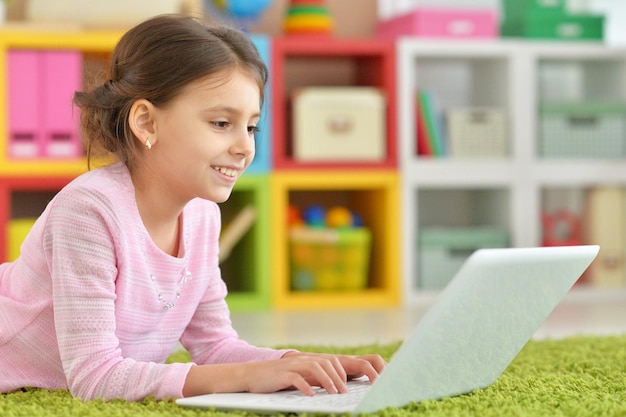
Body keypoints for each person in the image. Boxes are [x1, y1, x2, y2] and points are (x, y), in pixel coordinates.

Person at [0, 14, 385, 402]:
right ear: (146, 122)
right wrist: (248, 376)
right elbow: (96, 378)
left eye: (251, 127)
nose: (245, 147)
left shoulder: (202, 215)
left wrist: (300, 362)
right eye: (221, 123)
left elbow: (216, 347)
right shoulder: (88, 212)